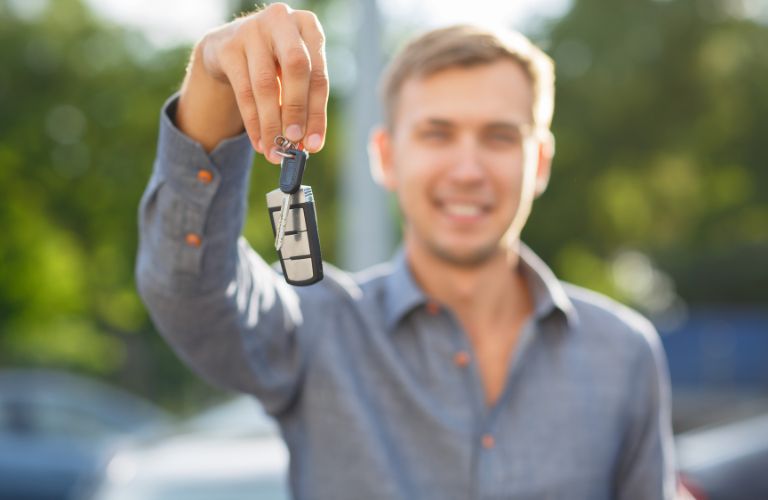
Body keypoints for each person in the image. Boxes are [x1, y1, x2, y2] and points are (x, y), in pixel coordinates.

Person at [136, 3, 676, 499]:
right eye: (437, 134)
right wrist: (211, 76)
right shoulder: (315, 327)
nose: (467, 171)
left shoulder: (624, 353)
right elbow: (188, 290)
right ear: (386, 157)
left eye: (499, 137)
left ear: (539, 162)